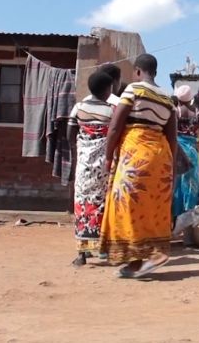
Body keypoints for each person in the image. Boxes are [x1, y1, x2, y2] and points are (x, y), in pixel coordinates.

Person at [99, 53, 177, 278]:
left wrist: (107, 156)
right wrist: (170, 167)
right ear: (156, 72)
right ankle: (153, 253)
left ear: (138, 71)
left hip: (136, 156)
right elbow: (172, 137)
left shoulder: (134, 90)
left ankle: (140, 261)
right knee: (153, 208)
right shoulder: (167, 98)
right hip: (160, 157)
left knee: (127, 206)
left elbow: (115, 126)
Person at [68, 71, 115, 267]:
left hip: (84, 164)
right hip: (104, 166)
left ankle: (82, 253)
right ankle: (103, 249)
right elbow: (115, 136)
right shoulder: (112, 111)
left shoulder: (79, 108)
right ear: (108, 90)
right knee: (102, 204)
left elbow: (70, 134)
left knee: (82, 203)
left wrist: (82, 149)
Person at [171, 85, 199, 224]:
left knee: (176, 182)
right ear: (190, 99)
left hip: (178, 149)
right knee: (191, 183)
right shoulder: (198, 113)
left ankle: (175, 217)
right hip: (193, 150)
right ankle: (189, 217)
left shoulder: (175, 112)